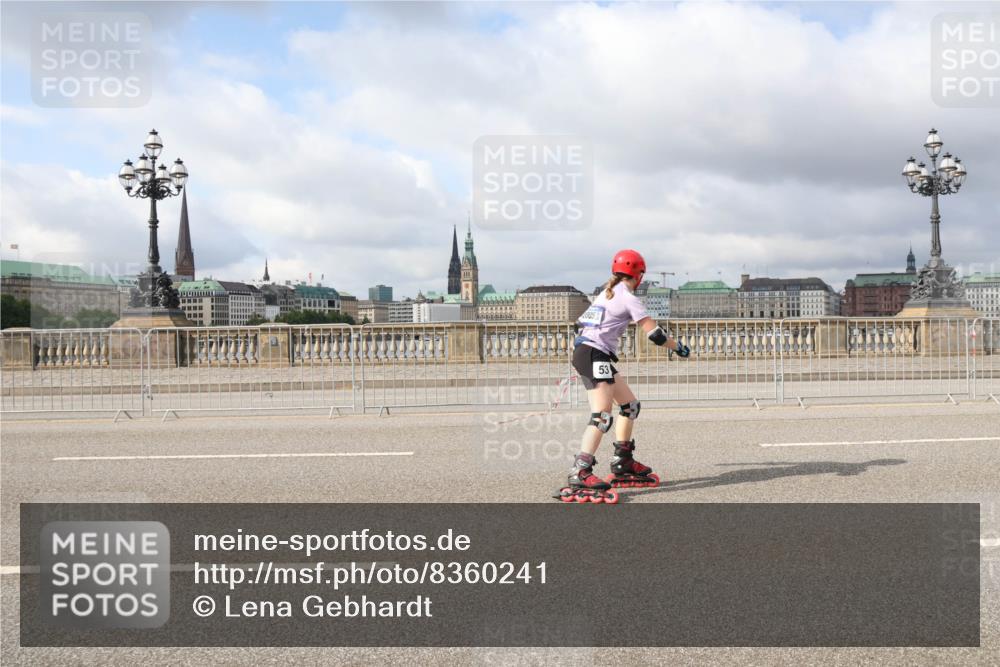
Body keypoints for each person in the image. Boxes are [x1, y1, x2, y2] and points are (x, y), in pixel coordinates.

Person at [556, 249, 690, 504]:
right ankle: (580, 471)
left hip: (591, 353)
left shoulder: (605, 293)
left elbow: (578, 325)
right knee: (602, 415)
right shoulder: (628, 298)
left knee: (630, 406)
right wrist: (679, 348)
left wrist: (588, 351)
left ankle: (623, 461)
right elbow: (656, 335)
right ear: (639, 275)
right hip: (594, 355)